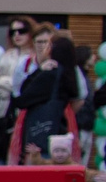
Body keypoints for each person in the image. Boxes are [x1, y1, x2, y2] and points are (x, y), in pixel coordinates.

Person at [8, 28, 87, 163]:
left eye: (47, 44)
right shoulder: (70, 73)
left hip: (41, 135)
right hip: (62, 130)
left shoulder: (49, 74)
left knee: (39, 169)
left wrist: (38, 72)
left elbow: (21, 100)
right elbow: (80, 97)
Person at [0, 15, 38, 166]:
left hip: (26, 115)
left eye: (22, 31)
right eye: (13, 32)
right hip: (3, 114)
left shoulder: (35, 57)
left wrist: (6, 83)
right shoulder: (7, 56)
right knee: (1, 156)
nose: (17, 35)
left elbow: (29, 88)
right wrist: (11, 91)